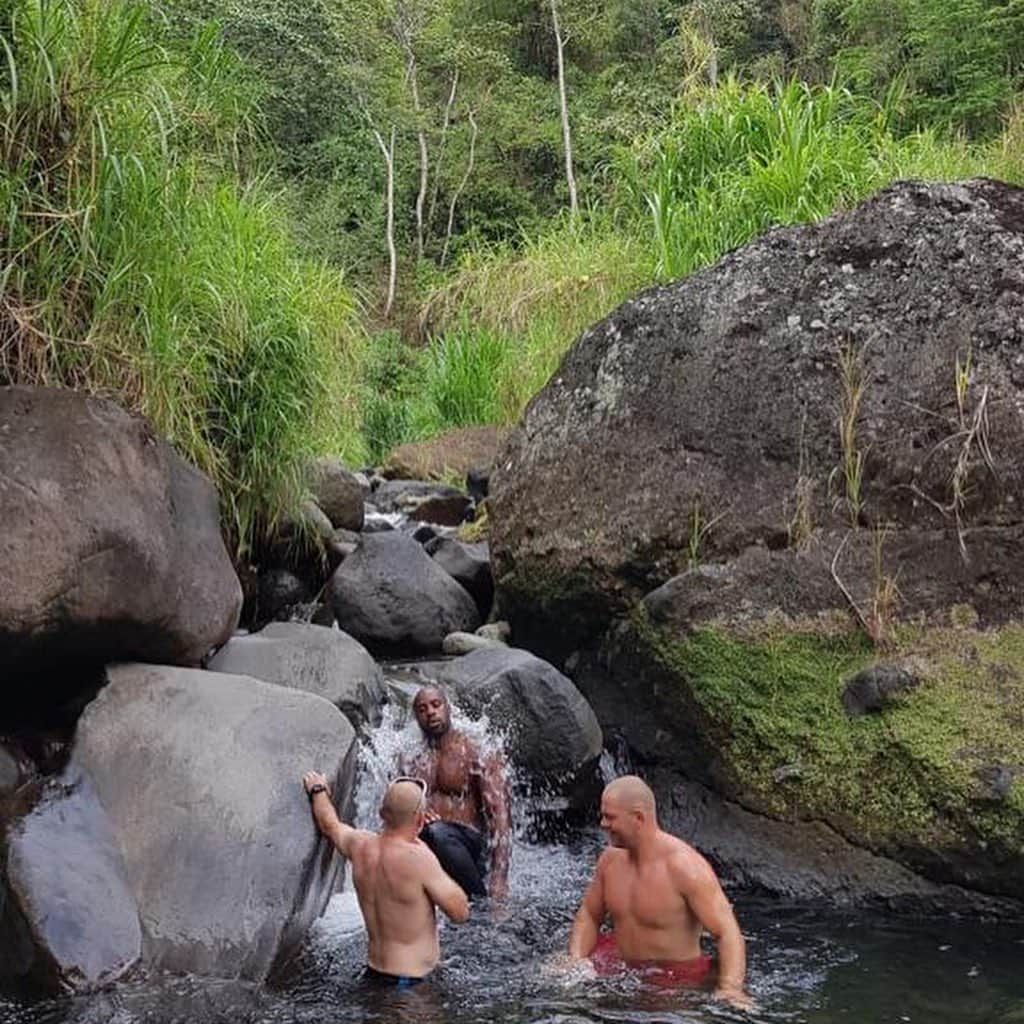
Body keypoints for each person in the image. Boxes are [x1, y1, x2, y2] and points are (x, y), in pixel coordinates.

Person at [567, 775, 750, 1007]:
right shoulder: (610, 861)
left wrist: (730, 988)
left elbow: (728, 932)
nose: (602, 824)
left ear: (638, 818)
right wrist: (575, 960)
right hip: (621, 970)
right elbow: (589, 915)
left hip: (675, 981)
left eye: (610, 817)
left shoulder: (685, 868)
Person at [302, 770, 469, 985]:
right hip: (413, 983)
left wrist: (318, 789)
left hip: (373, 975)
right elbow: (460, 912)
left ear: (381, 813)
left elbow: (329, 825)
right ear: (419, 819)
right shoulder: (420, 858)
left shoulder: (359, 845)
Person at [397, 685, 511, 901]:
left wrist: (499, 878)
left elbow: (500, 817)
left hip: (468, 848)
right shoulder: (410, 759)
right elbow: (392, 814)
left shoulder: (476, 750)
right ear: (416, 717)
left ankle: (479, 902)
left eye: (435, 705)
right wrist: (417, 814)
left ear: (448, 708)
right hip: (428, 846)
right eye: (422, 709)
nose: (430, 712)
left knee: (438, 833)